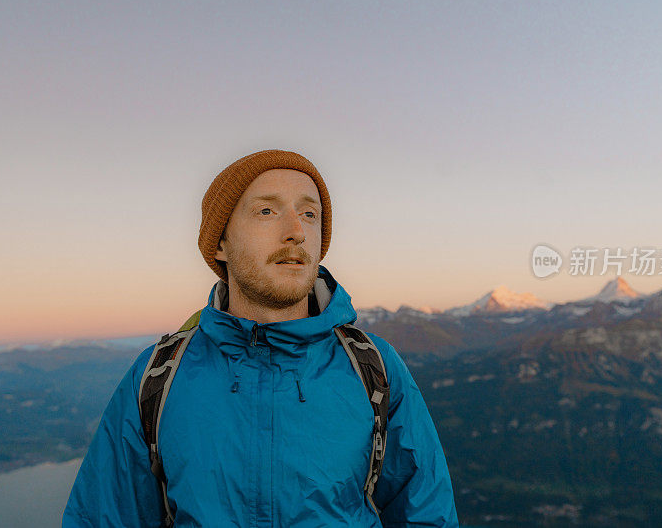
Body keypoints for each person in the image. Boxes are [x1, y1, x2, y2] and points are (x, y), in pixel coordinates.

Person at [62, 149, 459, 527]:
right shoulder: (157, 376)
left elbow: (425, 514)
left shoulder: (374, 367)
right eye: (267, 211)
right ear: (220, 243)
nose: (297, 232)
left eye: (309, 213)